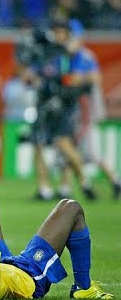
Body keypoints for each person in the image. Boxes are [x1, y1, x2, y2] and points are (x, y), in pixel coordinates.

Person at [25, 20, 96, 201]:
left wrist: (62, 89)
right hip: (43, 102)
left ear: (67, 34)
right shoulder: (44, 52)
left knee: (64, 144)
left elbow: (77, 80)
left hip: (63, 104)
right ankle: (44, 188)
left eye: (61, 32)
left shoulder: (70, 55)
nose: (58, 35)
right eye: (55, 31)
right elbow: (32, 76)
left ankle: (83, 181)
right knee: (38, 144)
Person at [55, 19, 121, 199]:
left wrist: (73, 80)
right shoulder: (65, 57)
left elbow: (92, 78)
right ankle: (66, 188)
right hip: (74, 108)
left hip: (86, 109)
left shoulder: (84, 56)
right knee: (68, 147)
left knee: (88, 152)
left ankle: (115, 180)